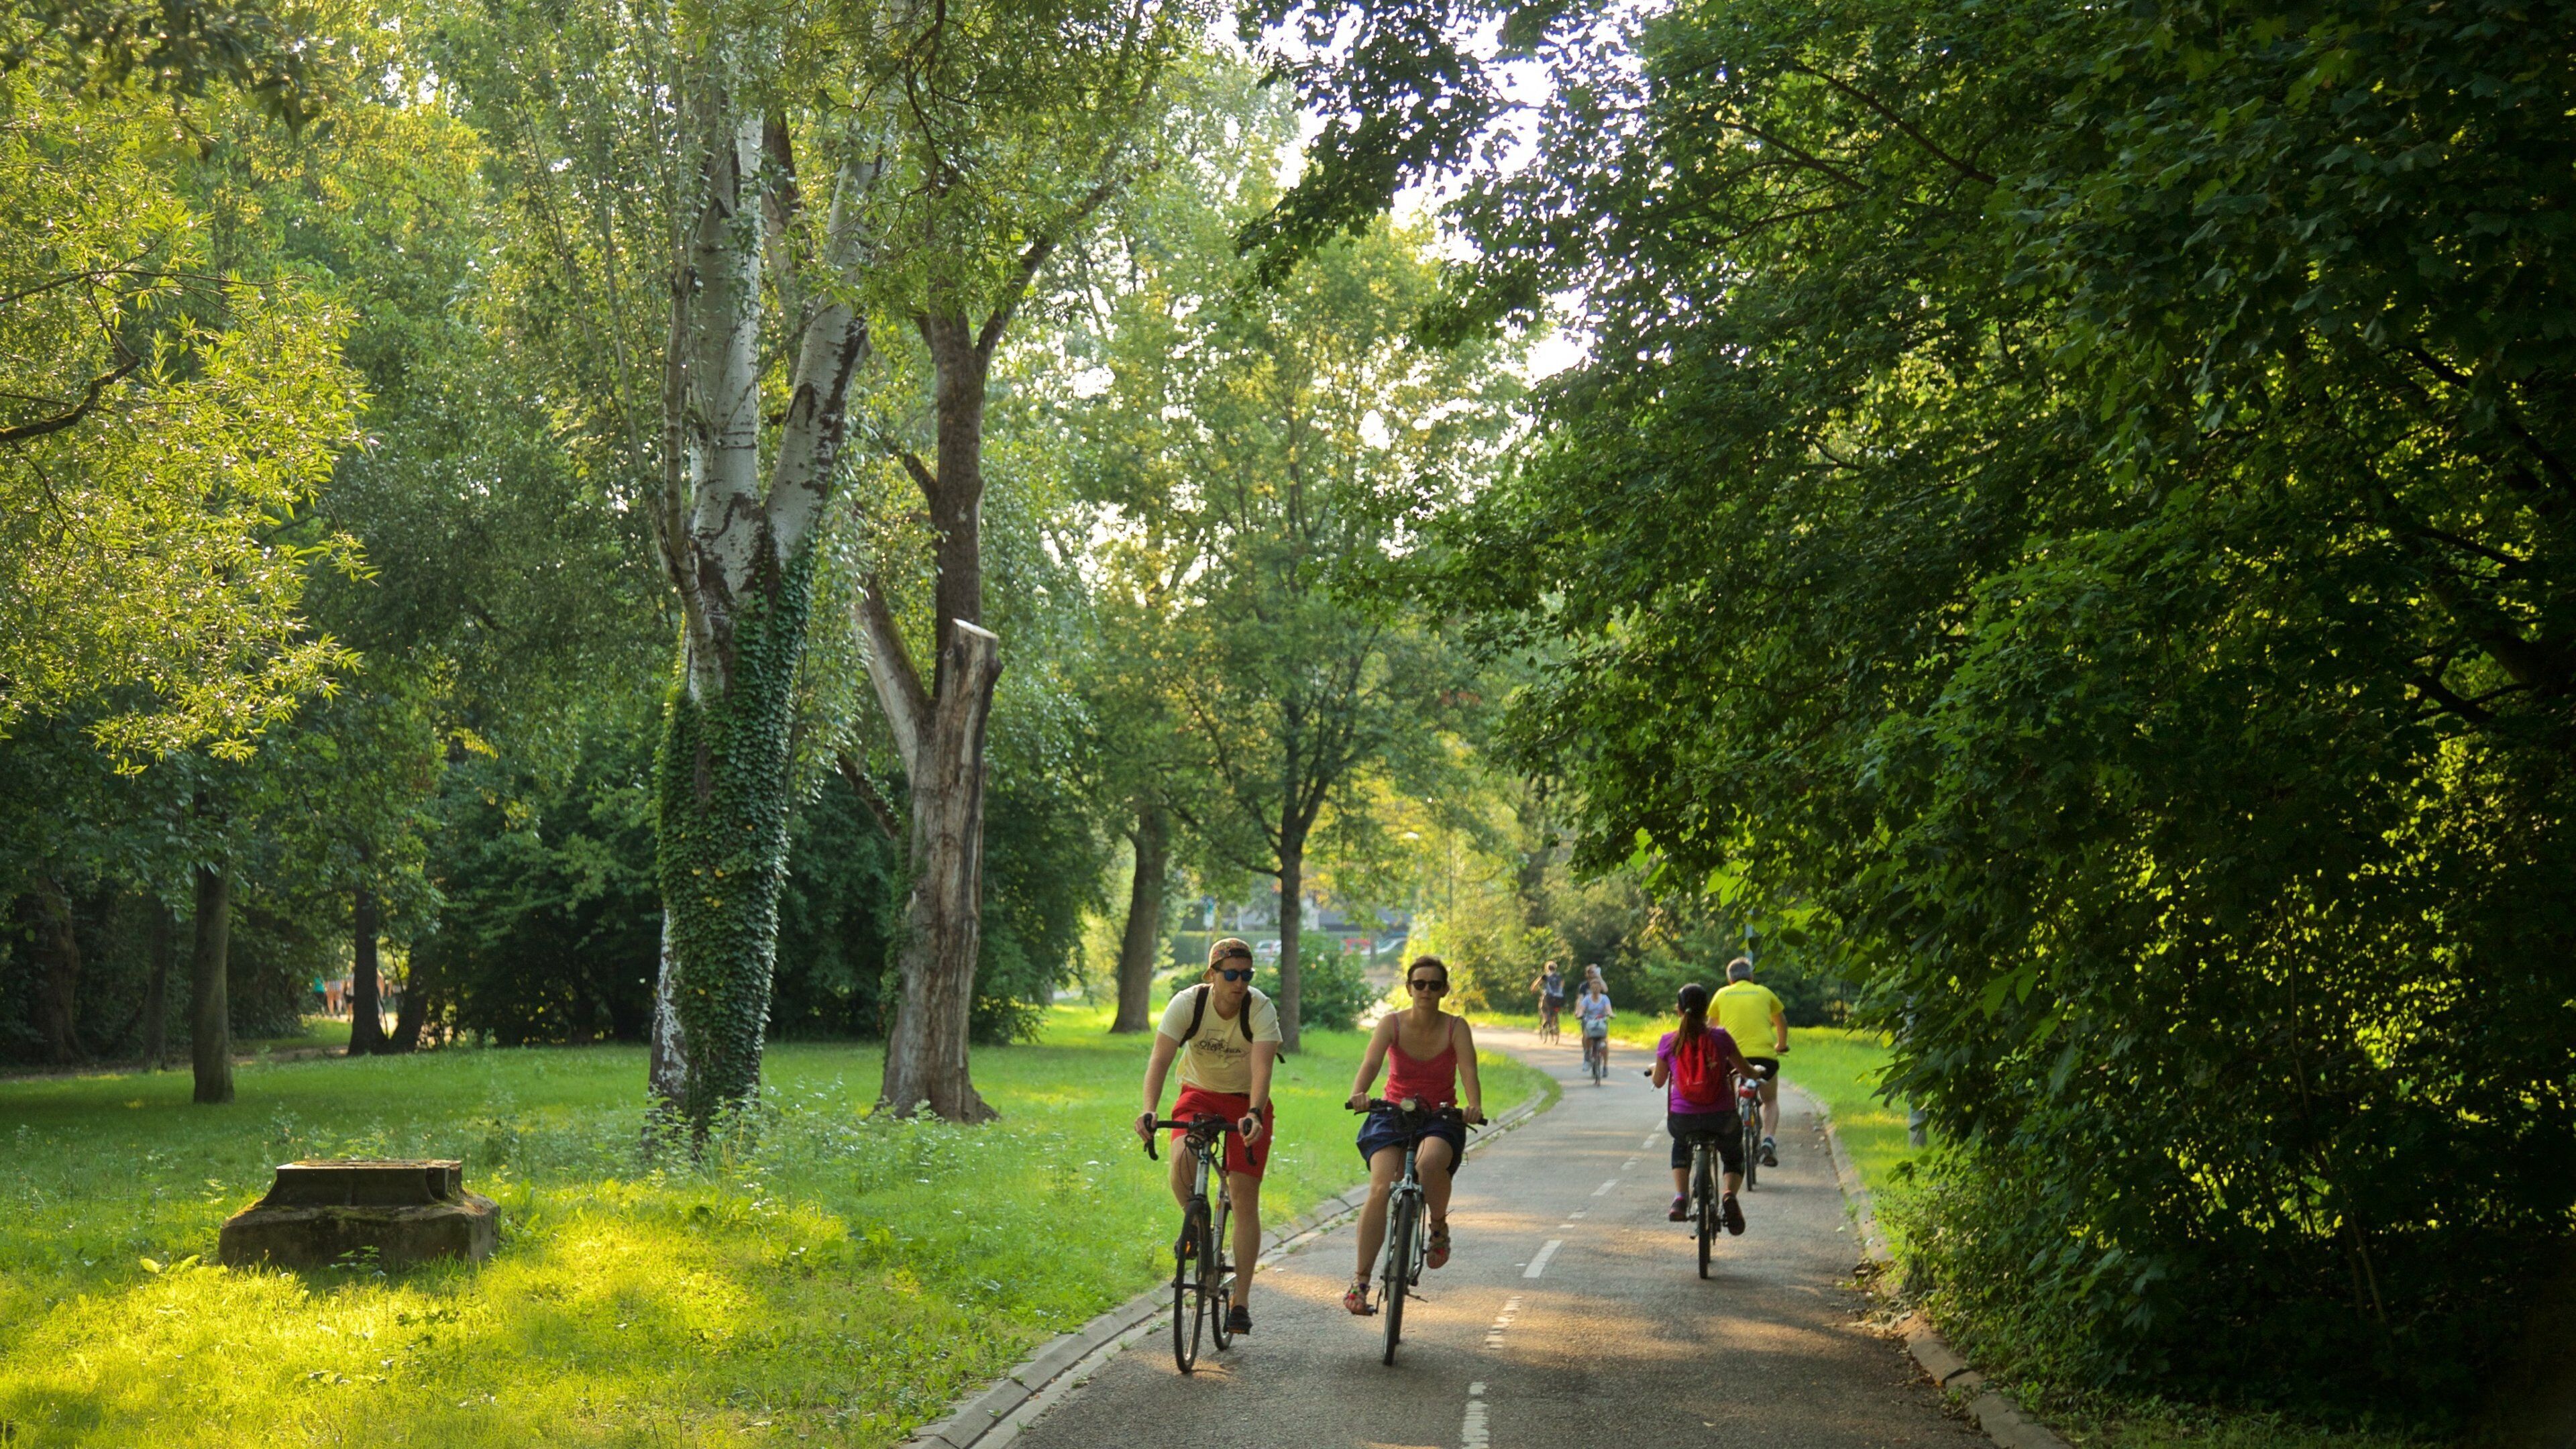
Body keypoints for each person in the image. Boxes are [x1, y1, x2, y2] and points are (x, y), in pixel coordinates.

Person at [1134, 937, 1281, 1335]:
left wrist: (1254, 1113)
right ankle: (1198, 1229)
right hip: (1198, 1094)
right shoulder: (1188, 1004)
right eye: (1231, 974)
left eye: (1246, 975)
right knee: (1181, 1162)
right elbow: (1160, 1059)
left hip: (1244, 1101)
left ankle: (1241, 1302)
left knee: (1244, 1197)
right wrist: (1150, 1108)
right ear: (1212, 975)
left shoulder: (1260, 1009)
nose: (1240, 983)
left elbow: (1263, 1070)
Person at [1342, 955, 1486, 1314]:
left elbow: (1469, 1069)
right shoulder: (1391, 1023)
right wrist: (1359, 1093)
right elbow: (1371, 1064)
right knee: (1380, 1187)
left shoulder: (1456, 1027)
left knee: (1430, 1163)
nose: (1426, 990)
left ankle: (1437, 1227)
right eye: (1419, 984)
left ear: (1444, 990)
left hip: (1440, 1114)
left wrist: (1474, 1105)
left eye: (1434, 985)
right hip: (1393, 1112)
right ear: (1408, 988)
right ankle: (1360, 1282)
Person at [1651, 982, 1762, 1233]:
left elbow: (1658, 1082)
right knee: (1732, 1152)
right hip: (1720, 1118)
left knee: (1681, 1143)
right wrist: (1757, 1072)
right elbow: (1745, 1070)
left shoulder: (1669, 1041)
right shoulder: (1720, 1037)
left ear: (1679, 1010)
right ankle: (1729, 1196)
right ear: (1706, 1010)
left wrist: (1655, 1071)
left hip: (1683, 1119)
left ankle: (1681, 1197)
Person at [1713, 956, 1790, 1165]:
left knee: (1726, 1098)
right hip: (1764, 1056)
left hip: (1731, 1057)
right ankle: (1769, 1139)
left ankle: (1728, 1134)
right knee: (1770, 1100)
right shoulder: (1764, 992)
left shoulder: (1721, 994)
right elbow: (1782, 1023)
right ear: (1752, 977)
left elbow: (1711, 1029)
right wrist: (1781, 1045)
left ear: (1730, 980)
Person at [1574, 977, 1613, 1080]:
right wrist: (1579, 1014)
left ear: (1600, 988)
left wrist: (1611, 1014)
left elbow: (1608, 1009)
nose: (1595, 989)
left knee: (1604, 1043)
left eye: (1597, 987)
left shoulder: (1605, 998)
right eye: (1593, 987)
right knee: (1586, 1037)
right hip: (1590, 1022)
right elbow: (1582, 1010)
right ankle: (1587, 1054)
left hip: (1601, 1022)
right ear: (1591, 988)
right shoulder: (1587, 999)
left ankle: (1605, 1066)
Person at [1529, 961, 1566, 1041]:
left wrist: (1533, 990)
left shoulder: (1545, 976)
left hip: (1548, 996)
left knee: (1543, 1008)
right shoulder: (1559, 976)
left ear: (1547, 968)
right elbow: (1562, 985)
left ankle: (1547, 1021)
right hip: (1559, 997)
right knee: (1555, 1010)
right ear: (1555, 968)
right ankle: (1554, 1025)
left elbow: (1536, 984)